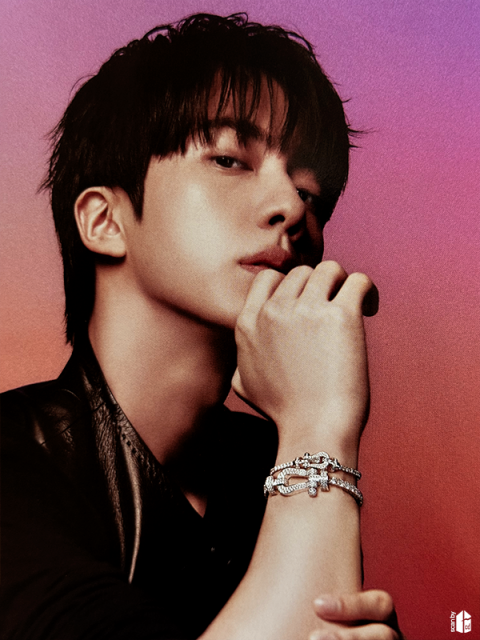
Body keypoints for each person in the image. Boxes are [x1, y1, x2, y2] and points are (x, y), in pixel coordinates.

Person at [0, 13, 403, 640]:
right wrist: (318, 429)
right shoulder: (16, 460)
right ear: (104, 221)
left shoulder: (268, 464)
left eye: (312, 192)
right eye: (230, 160)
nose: (293, 208)